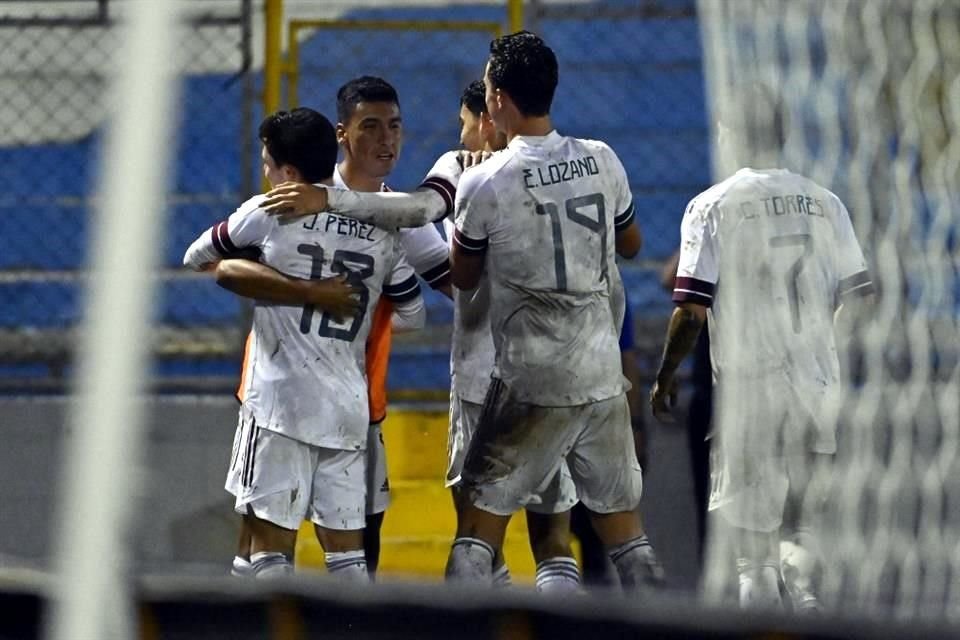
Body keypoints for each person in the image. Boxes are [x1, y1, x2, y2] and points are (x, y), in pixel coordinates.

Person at [445, 31, 662, 592]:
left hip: (529, 380)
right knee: (628, 539)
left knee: (475, 537)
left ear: (496, 100)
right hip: (600, 372)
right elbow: (633, 244)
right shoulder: (602, 158)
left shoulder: (485, 180)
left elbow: (464, 278)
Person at [183, 107, 426, 580]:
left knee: (268, 551)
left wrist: (277, 282)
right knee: (347, 558)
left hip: (279, 403)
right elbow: (412, 316)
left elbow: (200, 258)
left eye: (268, 164)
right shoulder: (382, 227)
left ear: (288, 173)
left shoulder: (270, 211)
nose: (265, 173)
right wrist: (353, 315)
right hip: (346, 406)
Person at [649, 112, 875, 609]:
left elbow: (689, 311)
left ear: (730, 132)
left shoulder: (712, 205)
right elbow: (860, 298)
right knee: (800, 532)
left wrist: (665, 375)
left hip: (751, 392)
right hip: (817, 388)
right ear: (784, 135)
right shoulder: (826, 202)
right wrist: (825, 350)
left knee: (754, 557)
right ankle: (809, 604)